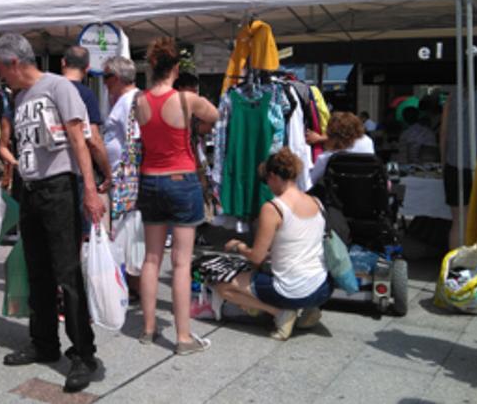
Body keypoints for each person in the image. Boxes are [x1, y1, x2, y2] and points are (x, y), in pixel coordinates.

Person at [0, 33, 105, 393]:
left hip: (59, 189)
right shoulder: (20, 96)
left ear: (13, 63)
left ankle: (83, 354)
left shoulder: (58, 87)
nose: (1, 77)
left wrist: (89, 188)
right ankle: (44, 342)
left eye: (0, 69)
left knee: (67, 273)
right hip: (32, 190)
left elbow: (78, 139)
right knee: (37, 270)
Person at [135, 37, 218, 355]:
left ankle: (148, 328)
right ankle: (182, 337)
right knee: (181, 263)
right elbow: (215, 116)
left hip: (149, 181)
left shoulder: (139, 101)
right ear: (177, 68)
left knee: (151, 259)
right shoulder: (187, 100)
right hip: (181, 180)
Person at [216, 148, 332, 341]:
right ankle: (309, 310)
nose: (267, 186)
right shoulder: (316, 202)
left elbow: (257, 257)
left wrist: (238, 246)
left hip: (291, 290)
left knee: (223, 287)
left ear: (273, 176)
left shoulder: (274, 208)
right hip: (322, 287)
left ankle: (280, 313)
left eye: (266, 181)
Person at [441, 66, 477, 250]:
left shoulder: (453, 96)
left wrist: (444, 161)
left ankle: (457, 268)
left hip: (454, 163)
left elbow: (444, 133)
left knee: (459, 221)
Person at [102, 56, 142, 302]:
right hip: (123, 176)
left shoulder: (130, 101)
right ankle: (130, 285)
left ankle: (130, 286)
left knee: (124, 234)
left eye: (106, 78)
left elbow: (134, 140)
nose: (104, 83)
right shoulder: (126, 100)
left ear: (116, 78)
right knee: (127, 236)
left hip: (125, 179)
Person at [61, 46, 112, 189]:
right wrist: (107, 173)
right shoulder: (86, 95)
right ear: (87, 68)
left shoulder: (49, 90)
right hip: (78, 171)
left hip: (50, 172)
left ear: (63, 63)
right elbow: (94, 140)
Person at [308, 111, 375, 185]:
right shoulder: (368, 141)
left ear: (332, 136)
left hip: (339, 194)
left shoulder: (326, 158)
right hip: (367, 191)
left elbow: (310, 183)